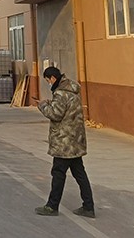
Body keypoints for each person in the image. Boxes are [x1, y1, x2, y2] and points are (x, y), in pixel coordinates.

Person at [34, 66, 95, 218]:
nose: (48, 83)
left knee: (58, 173)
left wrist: (43, 105)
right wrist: (51, 102)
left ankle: (52, 206)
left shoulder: (60, 93)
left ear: (53, 78)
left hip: (64, 142)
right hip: (75, 140)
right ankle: (88, 207)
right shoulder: (72, 90)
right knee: (80, 173)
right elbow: (65, 110)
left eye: (48, 81)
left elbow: (56, 114)